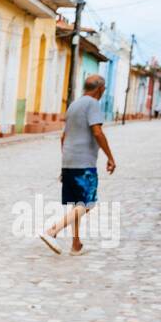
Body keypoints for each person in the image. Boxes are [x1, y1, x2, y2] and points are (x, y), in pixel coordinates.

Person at [38, 73, 116, 256]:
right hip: (84, 162)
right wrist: (110, 157)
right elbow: (97, 132)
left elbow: (63, 136)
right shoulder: (92, 104)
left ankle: (76, 244)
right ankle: (51, 231)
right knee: (88, 203)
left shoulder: (74, 105)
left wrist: (66, 159)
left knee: (77, 204)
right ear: (100, 89)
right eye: (103, 89)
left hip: (70, 160)